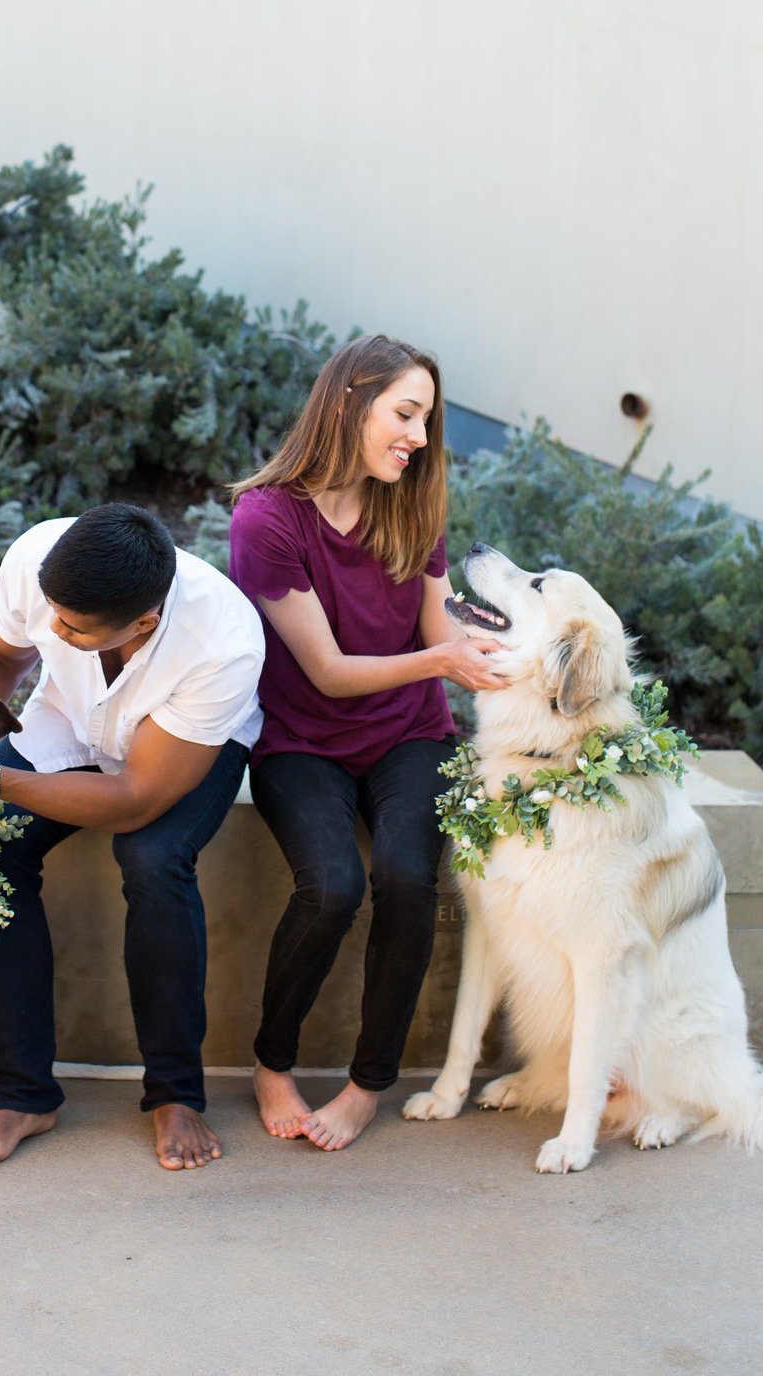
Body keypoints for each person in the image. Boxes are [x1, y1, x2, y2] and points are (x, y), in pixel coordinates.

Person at [0, 501, 264, 1173]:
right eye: (52, 611)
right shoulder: (38, 559)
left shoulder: (224, 642)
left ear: (142, 624)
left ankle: (176, 1094)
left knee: (153, 858)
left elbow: (135, 798)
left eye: (71, 626)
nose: (52, 628)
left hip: (179, 752)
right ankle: (24, 1095)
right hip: (69, 721)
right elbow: (0, 657)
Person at [227, 333, 508, 1151]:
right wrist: (444, 658)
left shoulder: (410, 500)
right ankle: (271, 1061)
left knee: (408, 877)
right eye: (406, 414)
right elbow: (325, 671)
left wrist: (491, 647)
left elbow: (438, 622)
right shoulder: (268, 519)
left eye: (426, 419)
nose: (420, 438)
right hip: (300, 739)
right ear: (350, 403)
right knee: (331, 887)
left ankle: (367, 1084)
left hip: (409, 733)